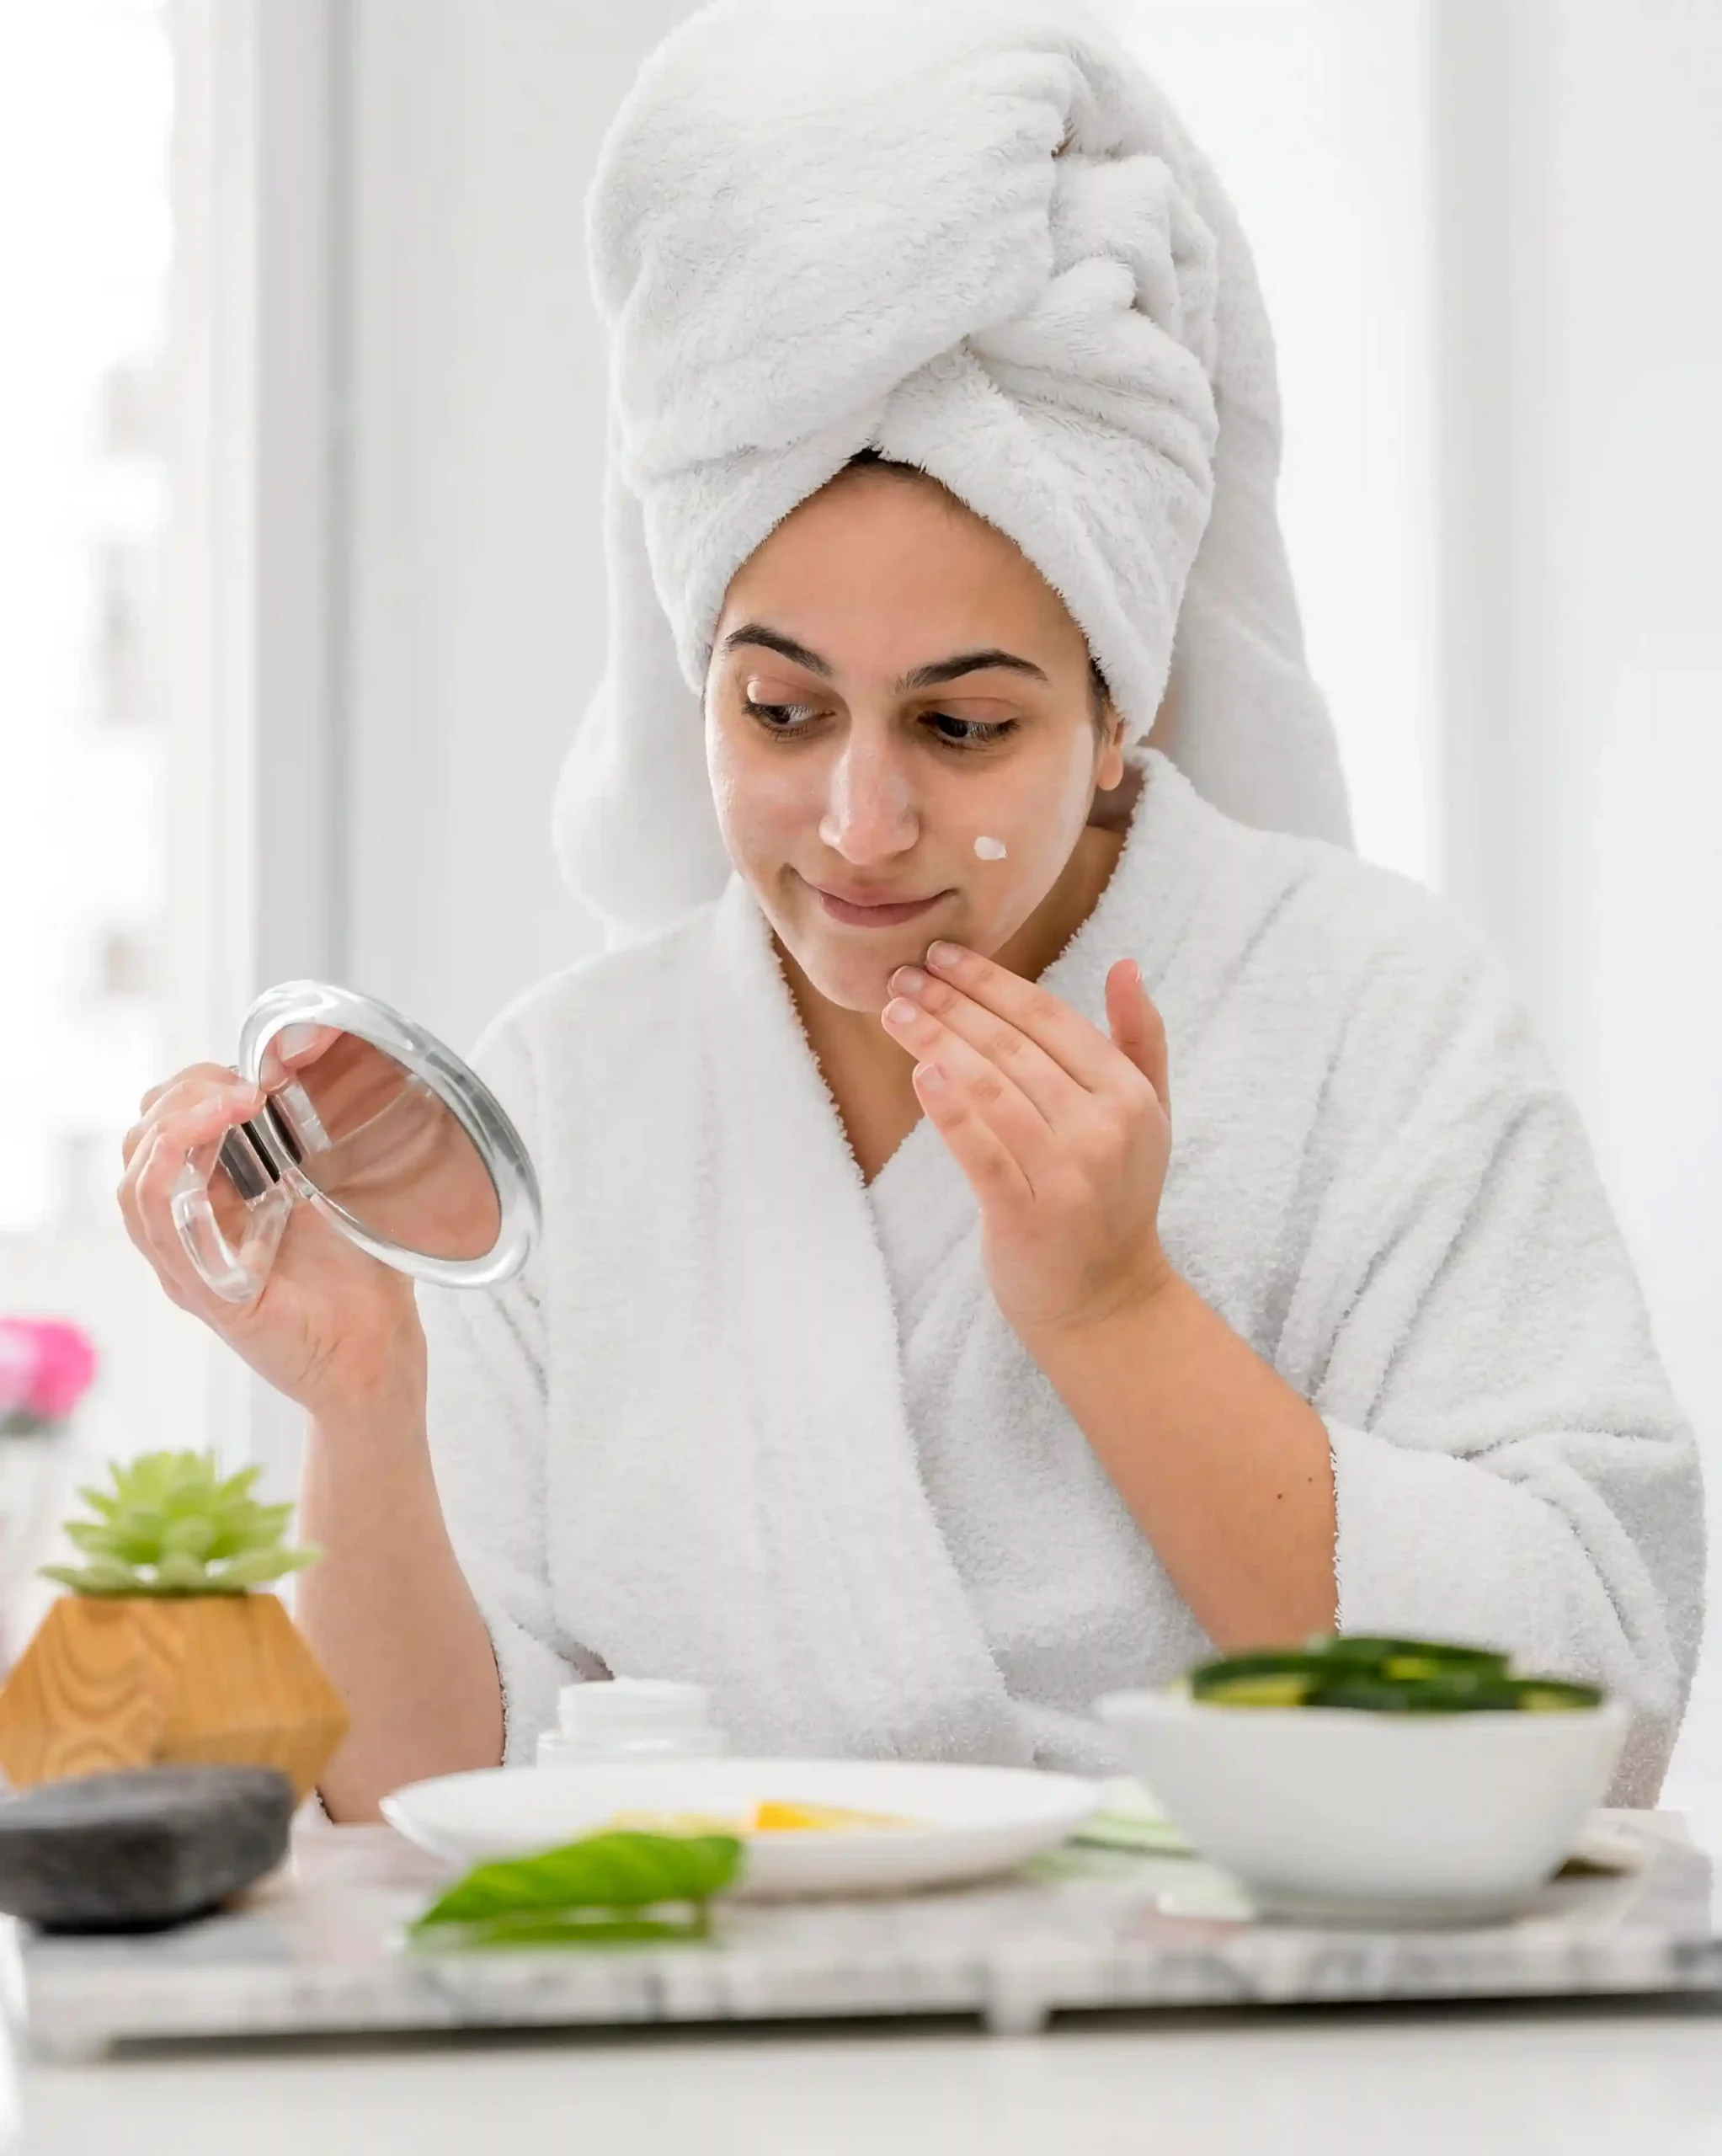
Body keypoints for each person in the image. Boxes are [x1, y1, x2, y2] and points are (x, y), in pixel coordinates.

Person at [119, 0, 1701, 1821]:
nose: (860, 825)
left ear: (1118, 713)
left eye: (963, 726)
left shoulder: (1374, 1018)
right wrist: (362, 1398)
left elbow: (1591, 1698)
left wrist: (1115, 1310)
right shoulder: (572, 1095)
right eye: (779, 712)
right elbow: (429, 1797)